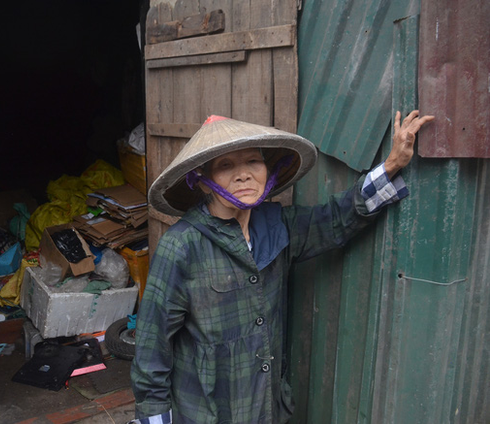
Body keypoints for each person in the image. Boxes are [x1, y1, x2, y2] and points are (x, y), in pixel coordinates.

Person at [130, 111, 434, 424]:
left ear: (267, 170)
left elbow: (335, 220)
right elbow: (153, 348)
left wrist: (392, 165)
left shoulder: (276, 228)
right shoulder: (182, 246)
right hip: (206, 411)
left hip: (265, 406)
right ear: (203, 182)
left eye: (252, 161)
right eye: (225, 165)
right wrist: (154, 418)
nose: (243, 174)